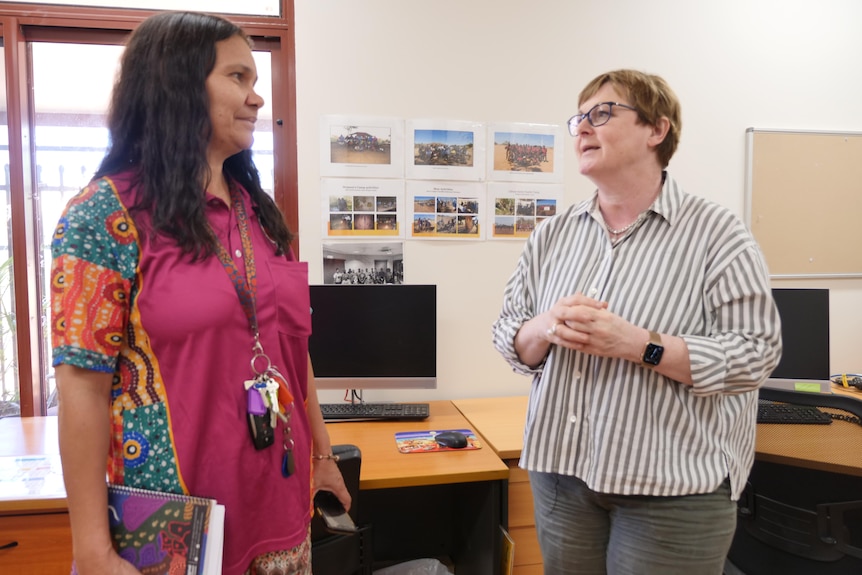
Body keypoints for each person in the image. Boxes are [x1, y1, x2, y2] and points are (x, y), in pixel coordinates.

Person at [50, 11, 349, 575]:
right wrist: (90, 548)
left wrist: (324, 456)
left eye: (255, 81)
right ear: (178, 83)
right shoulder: (104, 216)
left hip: (281, 510)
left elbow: (290, 350)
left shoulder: (258, 212)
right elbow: (81, 391)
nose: (257, 98)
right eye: (238, 77)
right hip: (173, 530)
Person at [491, 69, 782, 574]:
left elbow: (756, 354)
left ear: (657, 130)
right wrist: (547, 326)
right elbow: (509, 336)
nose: (582, 128)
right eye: (578, 118)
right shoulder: (552, 235)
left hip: (672, 489)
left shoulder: (718, 235)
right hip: (562, 474)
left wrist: (638, 344)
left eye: (601, 114)